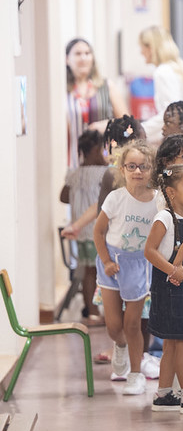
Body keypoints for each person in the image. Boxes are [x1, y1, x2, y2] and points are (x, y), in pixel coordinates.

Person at [93, 140, 158, 395]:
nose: (138, 171)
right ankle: (119, 345)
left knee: (133, 324)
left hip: (138, 264)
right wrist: (107, 261)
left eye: (144, 166)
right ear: (122, 169)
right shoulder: (115, 198)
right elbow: (98, 232)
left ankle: (135, 374)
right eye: (131, 166)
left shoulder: (159, 201)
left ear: (152, 169)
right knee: (113, 326)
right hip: (110, 262)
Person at [144, 164, 183, 412]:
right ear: (170, 192)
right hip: (169, 288)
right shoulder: (165, 217)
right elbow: (149, 250)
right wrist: (172, 270)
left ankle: (164, 393)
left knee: (171, 343)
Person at [60, 130, 108, 324]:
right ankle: (100, 312)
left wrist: (77, 196)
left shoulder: (74, 173)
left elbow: (63, 197)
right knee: (100, 271)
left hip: (80, 229)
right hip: (99, 229)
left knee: (88, 271)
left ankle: (91, 310)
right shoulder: (104, 173)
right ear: (96, 149)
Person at [66, 38, 126, 167]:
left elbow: (128, 123)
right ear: (67, 59)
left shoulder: (106, 86)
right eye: (78, 54)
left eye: (87, 53)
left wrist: (108, 125)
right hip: (74, 162)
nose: (83, 58)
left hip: (105, 161)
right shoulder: (63, 92)